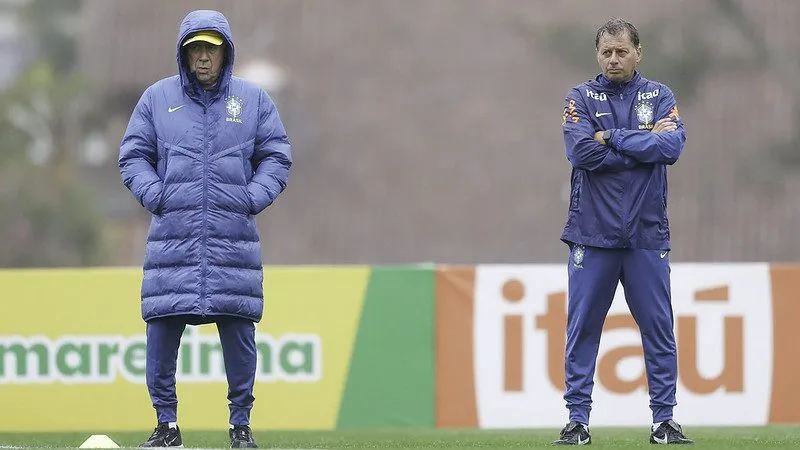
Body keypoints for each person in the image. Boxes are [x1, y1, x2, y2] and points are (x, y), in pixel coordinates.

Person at [118, 9, 292, 449]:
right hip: (171, 242)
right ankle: (166, 426)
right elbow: (132, 155)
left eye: (210, 49)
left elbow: (277, 156)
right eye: (195, 48)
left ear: (225, 53)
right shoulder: (157, 99)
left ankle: (240, 426)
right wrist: (156, 195)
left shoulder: (253, 101)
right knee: (160, 333)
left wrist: (251, 198)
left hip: (232, 243)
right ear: (183, 52)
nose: (202, 58)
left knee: (239, 336)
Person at [554, 18, 692, 445]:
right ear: (598, 54)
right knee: (583, 329)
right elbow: (580, 151)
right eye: (606, 52)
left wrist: (611, 136)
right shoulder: (580, 96)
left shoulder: (660, 95)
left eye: (621, 51)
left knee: (658, 329)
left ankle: (663, 421)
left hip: (646, 236)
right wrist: (642, 142)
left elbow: (670, 148)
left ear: (638, 52)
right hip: (592, 236)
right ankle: (578, 422)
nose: (613, 59)